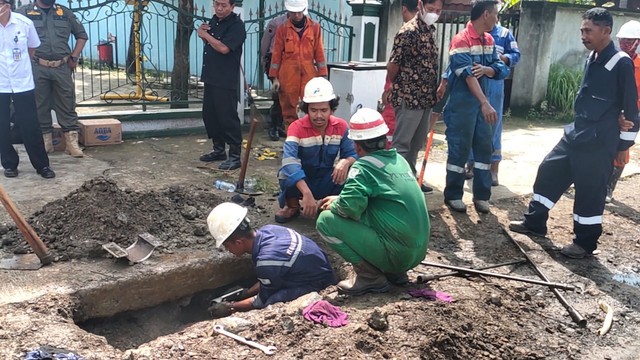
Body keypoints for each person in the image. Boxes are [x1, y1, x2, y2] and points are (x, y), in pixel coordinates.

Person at [509, 8, 639, 259]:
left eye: (588, 30)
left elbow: (632, 111)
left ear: (606, 31)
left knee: (590, 192)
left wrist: (623, 148)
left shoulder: (620, 62)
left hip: (599, 142)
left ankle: (584, 243)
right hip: (577, 132)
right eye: (582, 30)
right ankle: (535, 223)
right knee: (549, 170)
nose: (583, 35)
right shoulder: (594, 57)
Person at [316, 108, 430, 296]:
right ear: (385, 140)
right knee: (383, 214)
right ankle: (395, 272)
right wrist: (341, 198)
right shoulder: (399, 160)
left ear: (357, 146)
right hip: (417, 252)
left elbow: (349, 208)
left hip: (398, 253)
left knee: (326, 221)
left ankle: (370, 277)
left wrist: (336, 204)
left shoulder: (363, 166)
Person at [206, 202, 335, 318]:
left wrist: (231, 306)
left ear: (239, 242)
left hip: (319, 283)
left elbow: (261, 300)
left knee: (271, 302)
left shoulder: (266, 261)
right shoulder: (270, 229)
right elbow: (271, 277)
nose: (227, 250)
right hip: (314, 268)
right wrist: (246, 293)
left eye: (227, 246)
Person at [442, 0, 508, 214]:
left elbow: (501, 68)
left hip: (482, 107)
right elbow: (468, 75)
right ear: (486, 14)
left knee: (483, 150)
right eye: (496, 14)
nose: (497, 19)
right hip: (463, 107)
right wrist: (484, 102)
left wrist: (487, 70)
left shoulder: (488, 39)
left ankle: (482, 196)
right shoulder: (461, 40)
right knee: (459, 150)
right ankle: (453, 195)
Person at [276, 77, 357, 223]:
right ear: (306, 109)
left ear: (332, 109)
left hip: (327, 178)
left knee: (352, 172)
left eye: (324, 110)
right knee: (285, 174)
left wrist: (345, 161)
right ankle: (293, 205)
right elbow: (289, 161)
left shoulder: (342, 126)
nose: (318, 115)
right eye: (313, 110)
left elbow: (353, 153)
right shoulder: (296, 127)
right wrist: (306, 193)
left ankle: (331, 204)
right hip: (304, 178)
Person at [383, 0, 443, 193]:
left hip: (425, 98)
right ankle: (397, 185)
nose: (434, 13)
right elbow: (393, 64)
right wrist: (393, 86)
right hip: (408, 97)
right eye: (431, 9)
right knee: (402, 144)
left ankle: (410, 179)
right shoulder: (408, 32)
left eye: (438, 10)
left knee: (417, 143)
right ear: (420, 5)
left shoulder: (429, 30)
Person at [17, 0, 87, 158]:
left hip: (62, 67)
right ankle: (46, 142)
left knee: (67, 103)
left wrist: (74, 57)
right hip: (37, 66)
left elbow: (82, 36)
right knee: (39, 104)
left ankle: (71, 143)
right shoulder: (23, 13)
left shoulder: (65, 13)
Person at [0, 0, 55, 179]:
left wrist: (19, 67)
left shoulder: (24, 24)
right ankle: (9, 164)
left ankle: (42, 165)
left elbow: (31, 49)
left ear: (6, 6)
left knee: (30, 125)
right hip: (0, 84)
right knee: (2, 127)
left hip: (22, 82)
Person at [464, 23, 521, 186]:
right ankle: (471, 164)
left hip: (495, 86)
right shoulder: (470, 33)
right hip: (475, 85)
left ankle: (494, 169)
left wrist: (503, 59)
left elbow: (516, 55)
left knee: (493, 126)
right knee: (473, 125)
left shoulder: (504, 34)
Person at [197, 0, 246, 170]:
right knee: (210, 115)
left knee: (227, 117)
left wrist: (206, 36)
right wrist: (203, 35)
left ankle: (234, 156)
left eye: (224, 5)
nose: (219, 8)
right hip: (210, 76)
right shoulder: (213, 21)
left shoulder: (236, 26)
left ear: (232, 6)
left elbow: (224, 48)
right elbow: (211, 44)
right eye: (216, 4)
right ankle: (218, 150)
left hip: (225, 80)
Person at [269, 0, 327, 127]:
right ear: (288, 11)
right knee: (289, 108)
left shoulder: (315, 27)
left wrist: (323, 76)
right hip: (288, 75)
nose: (296, 15)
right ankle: (292, 137)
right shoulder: (282, 29)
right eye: (293, 12)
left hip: (309, 74)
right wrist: (275, 78)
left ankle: (309, 139)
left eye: (298, 12)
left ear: (304, 10)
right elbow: (276, 54)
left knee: (310, 104)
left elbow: (319, 52)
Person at [606, 20, 640, 202]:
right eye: (622, 40)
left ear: (637, 43)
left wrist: (628, 116)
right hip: (609, 113)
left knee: (621, 151)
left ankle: (609, 188)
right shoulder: (612, 61)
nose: (625, 45)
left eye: (629, 41)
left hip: (630, 117)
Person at [259, 13, 287, 141]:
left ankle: (280, 125)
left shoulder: (305, 23)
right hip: (274, 60)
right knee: (278, 94)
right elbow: (266, 41)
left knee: (287, 96)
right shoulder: (276, 22)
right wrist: (264, 59)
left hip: (290, 62)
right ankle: (273, 127)